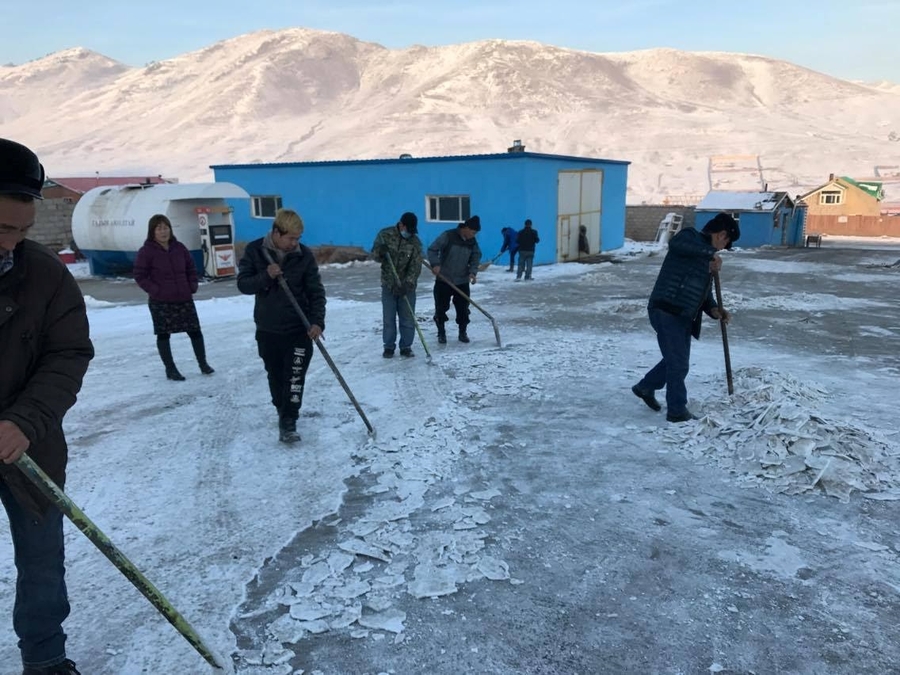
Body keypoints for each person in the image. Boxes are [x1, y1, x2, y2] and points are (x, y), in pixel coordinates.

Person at [0, 138, 93, 675]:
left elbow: (69, 353)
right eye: (0, 228)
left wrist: (23, 420)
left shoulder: (45, 275)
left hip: (30, 448)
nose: (10, 243)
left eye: (21, 230)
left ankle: (46, 658)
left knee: (41, 563)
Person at [631, 213, 740, 423]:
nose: (721, 249)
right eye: (725, 243)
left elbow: (703, 293)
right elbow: (677, 245)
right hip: (665, 309)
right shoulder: (688, 238)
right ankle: (677, 411)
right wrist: (709, 254)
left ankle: (645, 387)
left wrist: (715, 310)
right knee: (678, 364)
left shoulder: (705, 258)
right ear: (722, 235)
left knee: (677, 361)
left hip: (683, 316)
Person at [237, 208, 326, 444]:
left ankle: (289, 420)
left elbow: (316, 292)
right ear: (276, 232)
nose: (294, 243)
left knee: (295, 377)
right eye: (291, 238)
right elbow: (244, 284)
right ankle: (281, 409)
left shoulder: (304, 256)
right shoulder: (255, 251)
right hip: (268, 329)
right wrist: (266, 275)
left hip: (299, 329)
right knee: (275, 375)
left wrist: (317, 321)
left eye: (298, 238)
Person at [133, 214, 214, 381]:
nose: (163, 232)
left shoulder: (179, 248)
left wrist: (192, 286)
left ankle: (203, 364)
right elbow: (140, 276)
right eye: (159, 228)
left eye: (166, 227)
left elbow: (191, 269)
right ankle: (170, 369)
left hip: (183, 297)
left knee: (195, 332)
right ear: (152, 232)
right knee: (164, 335)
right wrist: (156, 290)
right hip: (160, 300)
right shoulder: (146, 251)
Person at [372, 211, 423, 358]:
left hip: (407, 287)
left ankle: (406, 346)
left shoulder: (415, 242)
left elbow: (416, 266)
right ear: (401, 225)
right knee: (388, 318)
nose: (410, 233)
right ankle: (388, 347)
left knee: (407, 318)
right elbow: (375, 256)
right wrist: (380, 252)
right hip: (388, 284)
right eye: (408, 230)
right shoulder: (385, 235)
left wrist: (407, 284)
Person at [427, 216, 482, 344]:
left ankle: (462, 332)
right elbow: (432, 249)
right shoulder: (448, 236)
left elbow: (476, 256)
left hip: (462, 281)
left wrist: (473, 272)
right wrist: (435, 264)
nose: (474, 236)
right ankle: (441, 333)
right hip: (444, 279)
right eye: (473, 232)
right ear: (466, 228)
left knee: (463, 309)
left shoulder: (472, 242)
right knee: (441, 308)